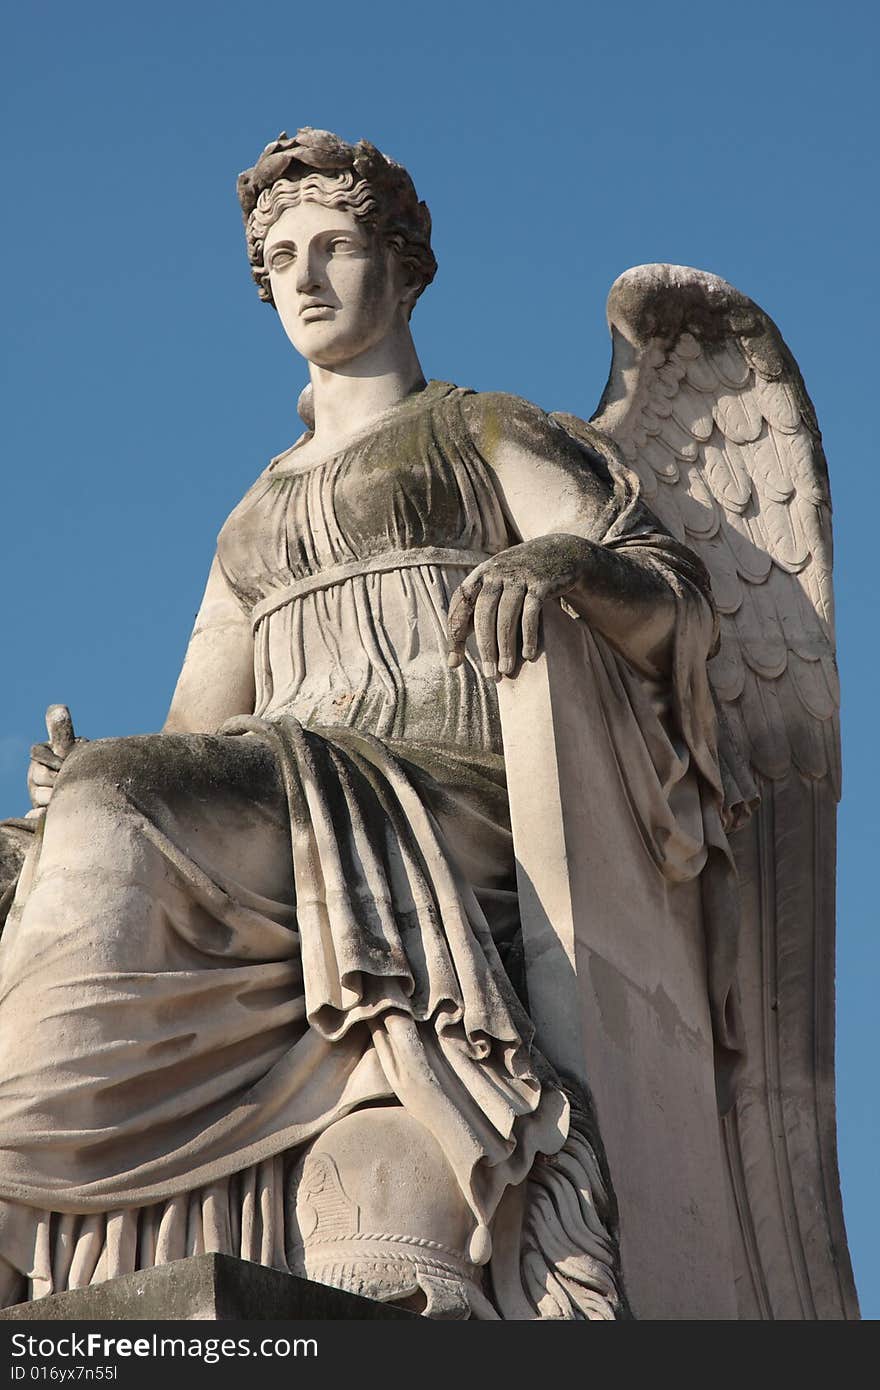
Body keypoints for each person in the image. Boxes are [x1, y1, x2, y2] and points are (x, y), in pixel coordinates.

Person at [0, 128, 723, 1319]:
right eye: (279, 257)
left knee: (116, 804)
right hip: (291, 783)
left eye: (334, 246)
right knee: (49, 840)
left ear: (403, 268)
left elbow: (670, 593)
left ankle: (33, 1166)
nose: (304, 277)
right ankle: (54, 1187)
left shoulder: (483, 429)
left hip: (442, 780)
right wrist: (68, 786)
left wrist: (561, 562)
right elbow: (193, 731)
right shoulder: (253, 513)